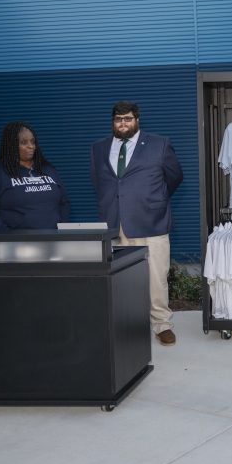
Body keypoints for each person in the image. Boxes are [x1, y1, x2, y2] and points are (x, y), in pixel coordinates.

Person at [91, 101, 183, 346]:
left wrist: (154, 199)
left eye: (128, 118)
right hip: (113, 223)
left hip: (150, 221)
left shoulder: (159, 144)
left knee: (156, 277)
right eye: (118, 119)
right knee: (118, 278)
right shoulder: (99, 148)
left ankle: (162, 324)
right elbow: (99, 182)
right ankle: (124, 324)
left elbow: (175, 177)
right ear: (113, 122)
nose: (123, 123)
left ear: (137, 120)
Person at [0, 121, 70, 230]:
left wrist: (60, 230)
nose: (31, 146)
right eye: (24, 142)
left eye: (33, 142)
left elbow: (64, 203)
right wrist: (6, 235)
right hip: (16, 240)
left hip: (53, 238)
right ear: (11, 145)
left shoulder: (48, 170)